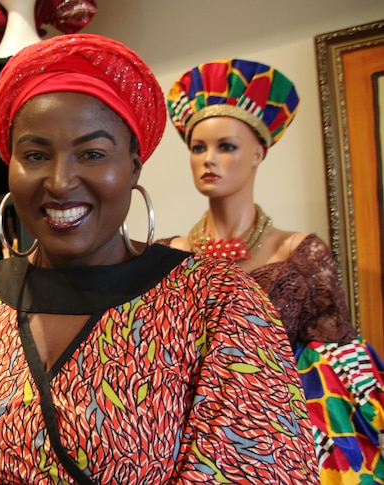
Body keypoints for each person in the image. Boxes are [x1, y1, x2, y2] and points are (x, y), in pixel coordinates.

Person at [0, 34, 318, 484]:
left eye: (92, 153)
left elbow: (259, 467)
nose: (59, 182)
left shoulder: (218, 305)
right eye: (35, 155)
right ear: (10, 164)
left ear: (134, 164)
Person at [163, 58, 384, 484]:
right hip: (184, 435)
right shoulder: (168, 254)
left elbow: (336, 358)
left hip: (284, 434)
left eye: (226, 146)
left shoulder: (299, 253)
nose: (209, 160)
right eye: (198, 147)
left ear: (258, 153)